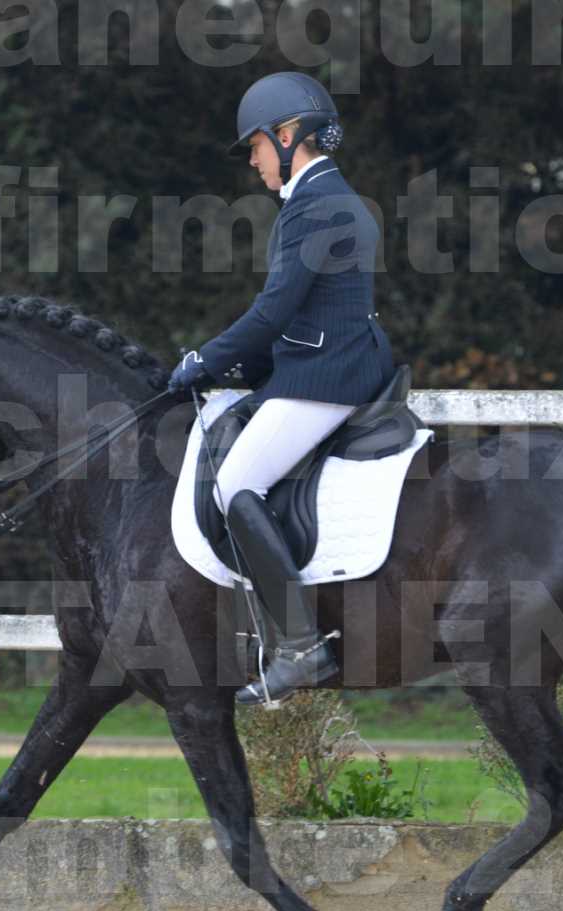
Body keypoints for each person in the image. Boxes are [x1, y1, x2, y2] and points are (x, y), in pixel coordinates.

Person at [167, 70, 396, 706]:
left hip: (327, 376)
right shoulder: (326, 198)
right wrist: (248, 366)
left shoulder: (315, 204)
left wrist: (201, 361)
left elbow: (271, 313)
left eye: (257, 146)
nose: (253, 160)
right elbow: (298, 314)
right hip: (323, 362)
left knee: (235, 485)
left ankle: (300, 647)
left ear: (288, 134)